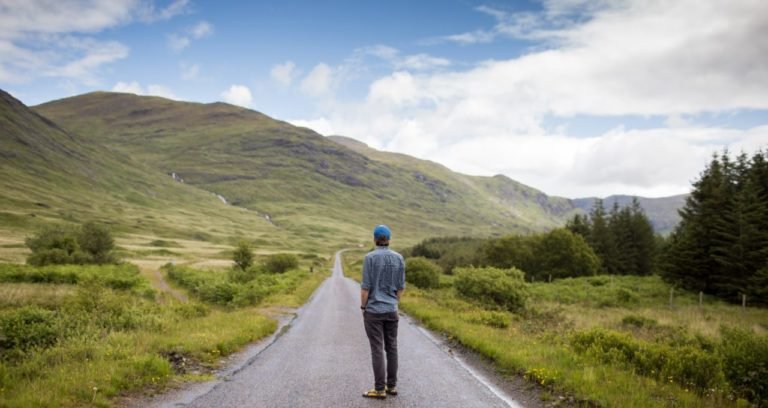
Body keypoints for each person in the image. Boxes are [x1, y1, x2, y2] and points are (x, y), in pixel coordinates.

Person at [360, 224, 406, 399]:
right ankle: (391, 386)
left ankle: (379, 389)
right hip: (391, 309)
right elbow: (400, 288)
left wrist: (363, 307)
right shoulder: (399, 258)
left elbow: (365, 288)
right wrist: (393, 303)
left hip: (373, 311)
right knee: (392, 347)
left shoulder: (369, 258)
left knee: (377, 349)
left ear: (374, 239)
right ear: (389, 239)